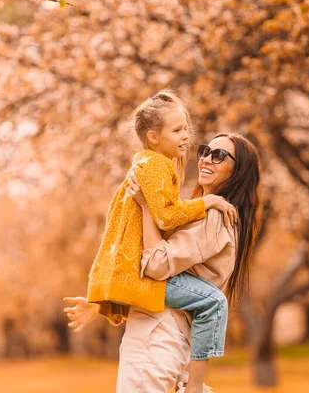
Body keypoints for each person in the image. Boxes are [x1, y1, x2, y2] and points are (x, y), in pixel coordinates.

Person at [65, 133, 262, 393]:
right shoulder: (203, 211)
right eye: (205, 151)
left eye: (219, 155)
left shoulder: (215, 216)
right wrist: (100, 303)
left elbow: (156, 266)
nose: (206, 159)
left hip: (157, 332)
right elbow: (162, 274)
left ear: (239, 171)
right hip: (165, 333)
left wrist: (146, 207)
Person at [83, 89, 237, 392]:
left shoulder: (157, 166)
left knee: (212, 302)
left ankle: (194, 384)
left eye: (186, 130)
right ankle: (195, 386)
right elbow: (166, 220)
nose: (188, 139)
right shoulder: (156, 166)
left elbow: (162, 228)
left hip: (163, 338)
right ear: (154, 137)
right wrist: (208, 203)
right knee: (214, 302)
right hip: (155, 338)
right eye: (178, 130)